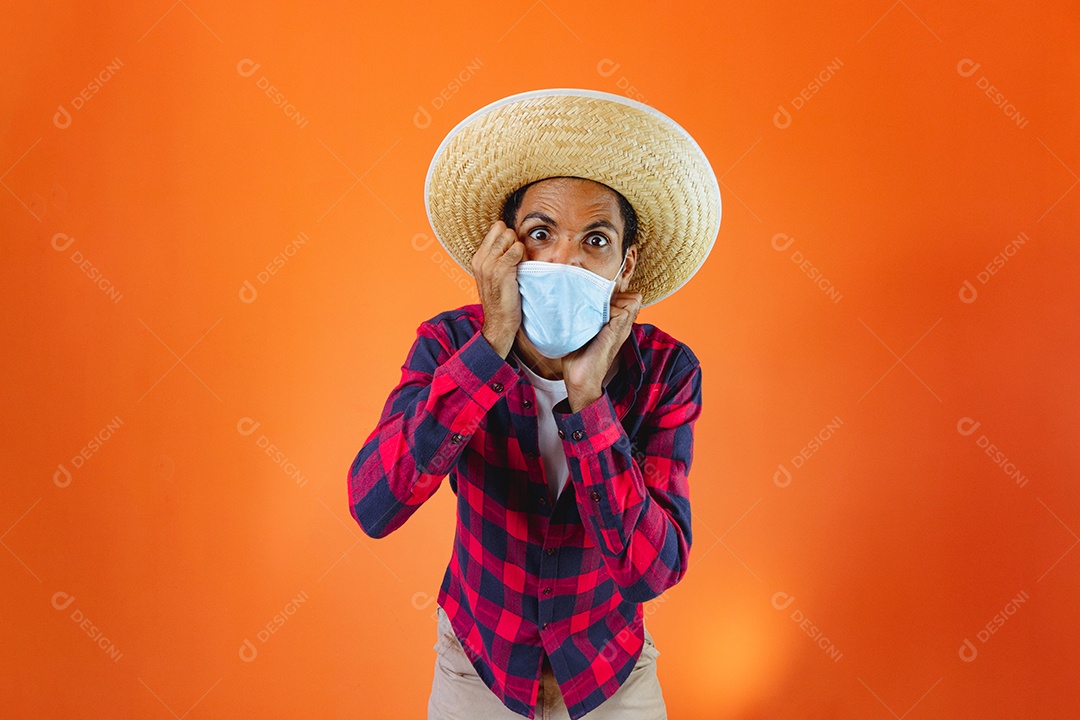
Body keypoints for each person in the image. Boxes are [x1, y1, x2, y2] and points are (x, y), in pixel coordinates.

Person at [347, 89, 721, 720]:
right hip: (477, 664)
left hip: (611, 673)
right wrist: (491, 344)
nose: (563, 259)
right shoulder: (448, 344)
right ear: (504, 249)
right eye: (540, 233)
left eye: (595, 240)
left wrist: (588, 397)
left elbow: (652, 573)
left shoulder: (666, 372)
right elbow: (375, 503)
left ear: (626, 267)